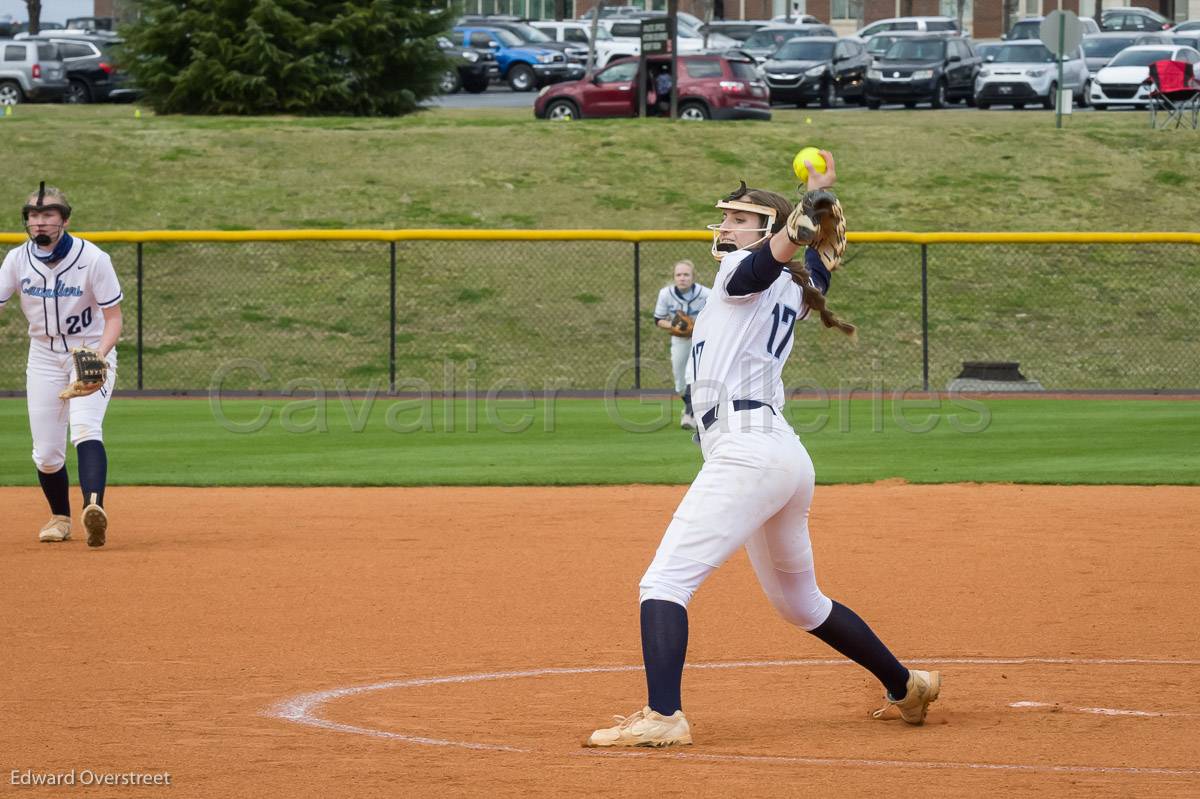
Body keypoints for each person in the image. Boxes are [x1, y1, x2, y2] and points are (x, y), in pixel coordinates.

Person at [585, 151, 940, 748]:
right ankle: (908, 686)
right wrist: (819, 217)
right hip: (781, 454)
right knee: (802, 604)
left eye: (738, 219)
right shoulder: (793, 291)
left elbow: (786, 250)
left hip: (748, 450)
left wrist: (813, 196)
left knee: (664, 583)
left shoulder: (736, 277)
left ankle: (664, 717)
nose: (724, 227)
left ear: (766, 229)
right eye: (724, 218)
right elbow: (817, 263)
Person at [0, 184, 122, 548]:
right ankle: (60, 517)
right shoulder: (17, 261)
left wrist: (99, 355)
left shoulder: (93, 259)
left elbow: (113, 318)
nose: (39, 223)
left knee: (85, 427)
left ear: (64, 220)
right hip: (43, 355)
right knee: (47, 453)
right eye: (33, 216)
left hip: (90, 350)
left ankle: (92, 509)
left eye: (48, 215)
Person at [653, 260, 709, 430]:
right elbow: (658, 319)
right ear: (674, 277)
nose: (682, 278)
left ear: (693, 277)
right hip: (679, 340)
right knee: (680, 384)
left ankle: (691, 414)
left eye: (686, 274)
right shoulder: (665, 294)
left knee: (695, 377)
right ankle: (690, 408)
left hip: (701, 339)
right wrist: (675, 326)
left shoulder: (706, 294)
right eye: (678, 275)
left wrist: (698, 326)